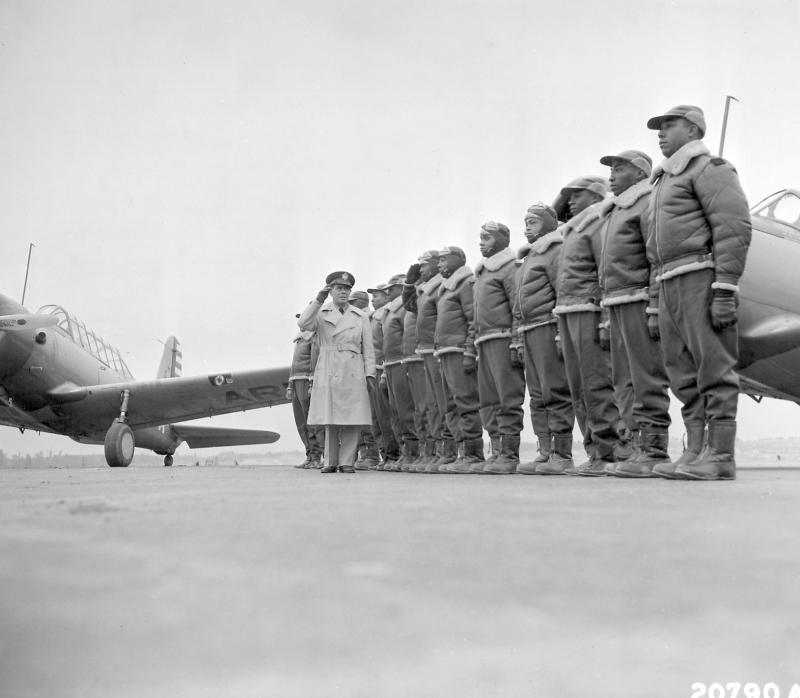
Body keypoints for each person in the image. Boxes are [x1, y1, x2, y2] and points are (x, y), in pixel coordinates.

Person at [645, 105, 751, 480]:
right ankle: (694, 451)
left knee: (714, 366)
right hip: (668, 282)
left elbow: (733, 228)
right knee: (682, 372)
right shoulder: (662, 184)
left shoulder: (711, 169)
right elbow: (654, 251)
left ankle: (720, 455)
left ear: (693, 130)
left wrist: (724, 289)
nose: (660, 133)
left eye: (668, 126)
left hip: (700, 278)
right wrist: (656, 302)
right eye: (658, 128)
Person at [597, 149, 672, 478]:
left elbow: (656, 257)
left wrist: (655, 304)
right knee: (623, 381)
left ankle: (654, 448)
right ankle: (634, 444)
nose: (611, 173)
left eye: (620, 167)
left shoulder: (646, 203)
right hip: (615, 302)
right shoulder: (614, 211)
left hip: (638, 299)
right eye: (611, 168)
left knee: (646, 376)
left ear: (640, 173)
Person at [554, 176, 623, 475]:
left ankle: (610, 451)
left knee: (596, 383)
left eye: (577, 194)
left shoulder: (599, 223)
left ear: (595, 195)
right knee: (578, 387)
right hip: (568, 310)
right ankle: (594, 450)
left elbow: (604, 271)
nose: (569, 200)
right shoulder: (572, 231)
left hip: (589, 308)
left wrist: (605, 318)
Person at [513, 203, 576, 475]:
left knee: (555, 390)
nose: (527, 226)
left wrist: (562, 331)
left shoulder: (555, 250)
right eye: (525, 221)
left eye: (533, 221)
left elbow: (562, 289)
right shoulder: (529, 258)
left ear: (550, 223)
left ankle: (562, 454)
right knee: (537, 395)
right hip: (528, 330)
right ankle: (545, 451)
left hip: (547, 326)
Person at [298, 271, 376, 474]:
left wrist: (370, 374)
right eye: (339, 288)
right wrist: (318, 300)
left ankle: (347, 461)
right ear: (330, 291)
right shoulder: (322, 313)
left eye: (347, 289)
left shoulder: (360, 316)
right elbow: (303, 323)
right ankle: (330, 461)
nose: (343, 292)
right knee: (329, 416)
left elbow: (368, 348)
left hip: (353, 368)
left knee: (352, 416)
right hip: (329, 366)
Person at [469, 221, 526, 474]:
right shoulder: (482, 274)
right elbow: (475, 316)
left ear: (502, 240)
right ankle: (497, 450)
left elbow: (518, 306)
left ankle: (510, 454)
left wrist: (517, 340)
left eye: (487, 238)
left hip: (502, 339)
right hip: (483, 341)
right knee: (488, 400)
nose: (481, 242)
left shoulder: (509, 268)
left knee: (507, 397)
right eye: (480, 237)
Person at [403, 250, 459, 473]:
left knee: (441, 402)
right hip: (426, 349)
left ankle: (448, 451)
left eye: (424, 265)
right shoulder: (425, 289)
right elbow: (411, 305)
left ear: (436, 265)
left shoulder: (440, 286)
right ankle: (438, 450)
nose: (421, 269)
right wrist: (409, 283)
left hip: (436, 348)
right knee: (432, 404)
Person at [434, 246, 485, 473]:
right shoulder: (445, 288)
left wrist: (469, 351)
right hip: (445, 352)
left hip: (458, 350)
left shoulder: (466, 284)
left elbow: (473, 320)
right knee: (450, 405)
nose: (439, 264)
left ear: (457, 261)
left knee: (466, 402)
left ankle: (474, 454)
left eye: (444, 260)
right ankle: (462, 451)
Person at [380, 273, 419, 471]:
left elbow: (408, 335)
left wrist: (406, 360)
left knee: (406, 410)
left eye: (391, 288)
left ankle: (413, 453)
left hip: (402, 362)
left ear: (402, 288)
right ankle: (405, 452)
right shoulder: (389, 311)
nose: (387, 292)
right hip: (391, 363)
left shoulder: (403, 307)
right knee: (395, 412)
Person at [366, 283, 401, 469]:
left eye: (377, 296)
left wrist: (384, 371)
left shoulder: (383, 317)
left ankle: (393, 455)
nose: (373, 299)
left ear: (387, 297)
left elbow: (388, 345)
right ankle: (386, 454)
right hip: (373, 369)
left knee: (387, 416)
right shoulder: (372, 318)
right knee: (377, 418)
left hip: (382, 368)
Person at [349, 290, 380, 470]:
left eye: (353, 301)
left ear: (361, 302)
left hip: (369, 371)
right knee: (358, 416)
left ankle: (372, 455)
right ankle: (363, 453)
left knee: (371, 416)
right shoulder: (357, 320)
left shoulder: (369, 318)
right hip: (356, 372)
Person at [288, 315, 324, 469]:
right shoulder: (300, 339)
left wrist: (311, 382)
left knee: (310, 420)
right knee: (301, 421)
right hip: (296, 380)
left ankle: (316, 456)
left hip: (305, 380)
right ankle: (310, 455)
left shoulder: (313, 338)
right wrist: (290, 385)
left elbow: (314, 362)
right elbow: (293, 365)